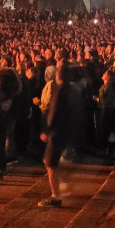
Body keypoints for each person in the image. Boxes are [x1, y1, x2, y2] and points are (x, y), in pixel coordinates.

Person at [39, 59, 77, 208]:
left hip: (57, 131)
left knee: (50, 163)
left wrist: (47, 130)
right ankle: (60, 184)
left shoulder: (60, 90)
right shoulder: (70, 89)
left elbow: (54, 112)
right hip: (65, 130)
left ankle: (56, 196)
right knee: (48, 161)